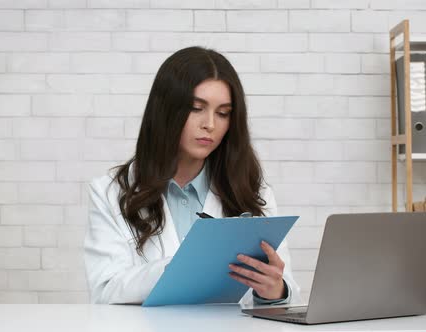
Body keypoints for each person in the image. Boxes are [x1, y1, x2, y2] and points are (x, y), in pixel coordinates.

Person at [84, 46, 300, 305]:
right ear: (166, 111)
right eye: (197, 108)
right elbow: (105, 288)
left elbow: (287, 292)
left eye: (223, 113)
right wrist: (178, 268)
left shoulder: (252, 192)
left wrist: (275, 291)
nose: (210, 123)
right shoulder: (110, 193)